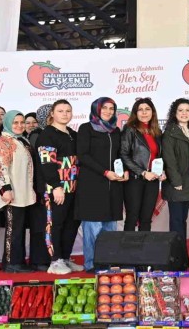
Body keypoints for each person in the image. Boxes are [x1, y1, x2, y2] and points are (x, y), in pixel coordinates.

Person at [76, 97, 127, 273]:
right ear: (96, 109)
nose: (108, 111)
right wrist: (105, 172)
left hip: (113, 186)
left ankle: (107, 262)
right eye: (104, 108)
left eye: (111, 108)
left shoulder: (116, 130)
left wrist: (125, 171)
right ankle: (91, 263)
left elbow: (120, 155)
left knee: (110, 227)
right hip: (92, 185)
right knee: (93, 226)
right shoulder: (86, 128)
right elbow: (83, 155)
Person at [37, 99, 81, 275]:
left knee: (71, 224)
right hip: (55, 189)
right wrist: (56, 187)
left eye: (68, 111)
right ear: (52, 114)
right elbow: (47, 163)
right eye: (60, 111)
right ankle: (55, 261)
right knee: (55, 224)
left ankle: (65, 258)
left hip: (73, 187)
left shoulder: (72, 134)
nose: (65, 114)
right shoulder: (47, 134)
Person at [0, 111, 38, 273]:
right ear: (7, 123)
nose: (19, 125)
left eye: (21, 122)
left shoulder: (20, 140)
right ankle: (11, 263)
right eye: (15, 122)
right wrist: (6, 189)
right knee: (13, 230)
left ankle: (19, 261)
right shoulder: (3, 142)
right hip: (12, 193)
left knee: (19, 228)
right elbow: (0, 168)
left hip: (23, 192)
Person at [121, 98, 165, 231]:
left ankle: (144, 245)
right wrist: (143, 172)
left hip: (152, 180)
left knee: (146, 219)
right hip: (135, 179)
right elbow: (124, 155)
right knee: (132, 217)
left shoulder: (157, 132)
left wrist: (162, 171)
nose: (144, 112)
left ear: (153, 112)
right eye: (140, 110)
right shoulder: (130, 129)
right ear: (135, 113)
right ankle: (129, 245)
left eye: (147, 109)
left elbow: (159, 156)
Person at [162, 98, 189, 239]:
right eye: (180, 110)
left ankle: (182, 251)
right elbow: (169, 159)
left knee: (183, 219)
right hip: (176, 184)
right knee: (176, 221)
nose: (184, 113)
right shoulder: (169, 132)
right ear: (174, 113)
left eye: (187, 110)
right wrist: (176, 181)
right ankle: (176, 252)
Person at [27, 103, 52, 271]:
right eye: (49, 115)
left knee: (47, 224)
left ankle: (48, 258)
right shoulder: (37, 135)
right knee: (39, 224)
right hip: (39, 187)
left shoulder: (52, 134)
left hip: (48, 186)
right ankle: (39, 260)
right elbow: (38, 164)